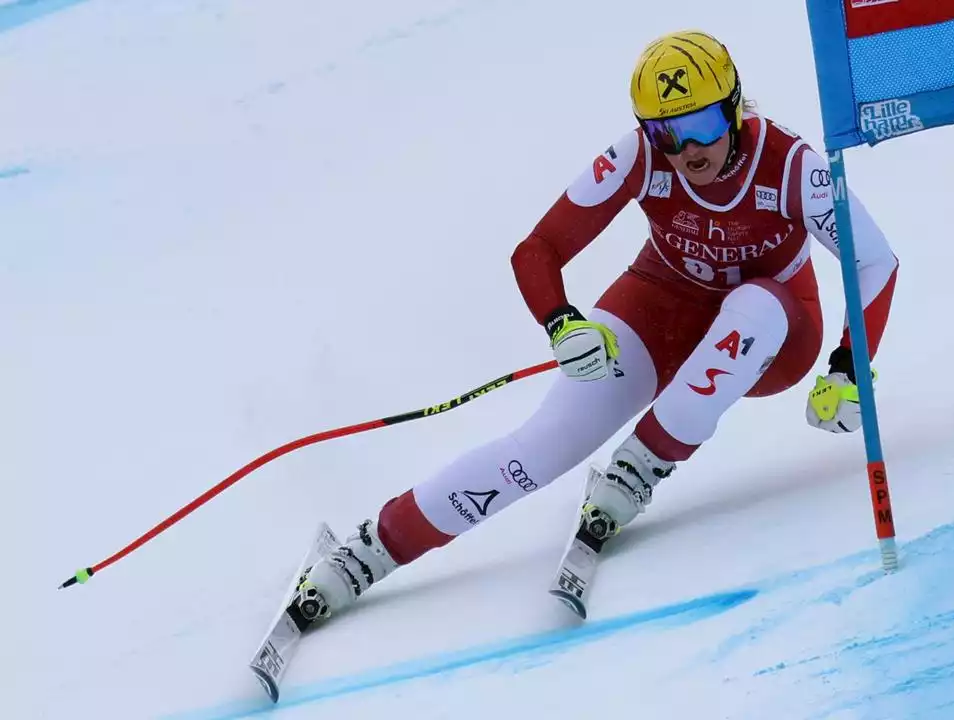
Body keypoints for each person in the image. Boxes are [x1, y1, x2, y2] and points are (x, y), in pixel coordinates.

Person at [291, 29, 899, 625]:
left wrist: (849, 367)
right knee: (540, 449)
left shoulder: (793, 166)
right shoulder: (637, 157)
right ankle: (373, 548)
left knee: (756, 305)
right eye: (666, 133)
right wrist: (563, 324)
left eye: (705, 126)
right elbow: (538, 249)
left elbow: (874, 259)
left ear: (735, 108)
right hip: (662, 310)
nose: (689, 150)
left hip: (774, 335)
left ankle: (641, 466)